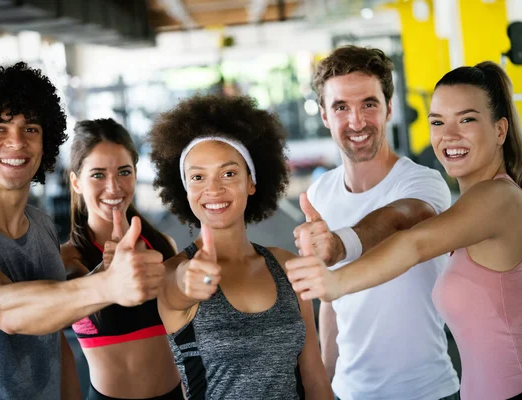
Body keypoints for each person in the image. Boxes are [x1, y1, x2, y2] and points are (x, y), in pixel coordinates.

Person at [0, 62, 164, 399]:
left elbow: (53, 343)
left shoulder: (40, 225)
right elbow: (3, 309)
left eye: (30, 128)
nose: (17, 141)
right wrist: (108, 284)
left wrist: (104, 274)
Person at [289, 61, 522, 400]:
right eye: (438, 122)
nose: (450, 134)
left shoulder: (497, 196)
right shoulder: (478, 206)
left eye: (467, 119)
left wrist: (337, 276)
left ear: (500, 130)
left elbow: (412, 238)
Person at [149, 94, 333, 400]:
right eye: (198, 177)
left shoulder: (288, 267)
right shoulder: (175, 273)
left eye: (229, 173)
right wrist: (188, 281)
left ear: (251, 181)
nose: (213, 188)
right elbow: (179, 288)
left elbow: (313, 374)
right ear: (184, 188)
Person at [60, 118, 183, 399]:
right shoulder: (67, 258)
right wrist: (104, 274)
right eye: (98, 175)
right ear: (76, 182)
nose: (114, 187)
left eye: (123, 172)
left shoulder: (163, 246)